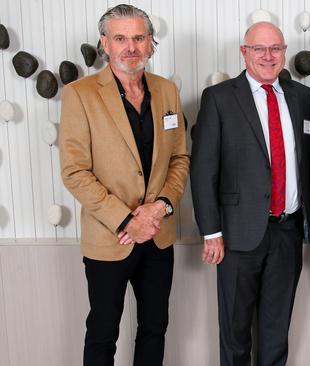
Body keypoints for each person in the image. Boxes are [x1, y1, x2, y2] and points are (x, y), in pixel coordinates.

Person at [59, 4, 189, 366]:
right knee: (103, 332)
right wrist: (127, 218)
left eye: (138, 38)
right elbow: (75, 171)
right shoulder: (80, 94)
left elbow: (179, 159)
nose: (130, 47)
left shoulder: (166, 91)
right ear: (105, 43)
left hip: (158, 234)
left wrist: (160, 207)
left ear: (150, 43)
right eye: (120, 38)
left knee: (154, 327)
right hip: (110, 238)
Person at [190, 21, 310, 366]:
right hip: (235, 235)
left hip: (287, 232)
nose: (268, 56)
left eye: (275, 48)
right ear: (244, 52)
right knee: (234, 333)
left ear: (285, 52)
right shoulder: (218, 98)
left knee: (276, 333)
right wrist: (211, 232)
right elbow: (203, 170)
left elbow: (309, 165)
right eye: (259, 48)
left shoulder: (303, 97)